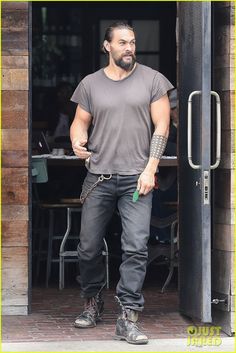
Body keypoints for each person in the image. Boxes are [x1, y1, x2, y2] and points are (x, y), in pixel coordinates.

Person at [70, 22, 174, 345]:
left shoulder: (153, 81)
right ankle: (93, 300)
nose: (130, 48)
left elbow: (162, 127)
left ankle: (128, 315)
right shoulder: (90, 84)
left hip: (137, 179)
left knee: (135, 247)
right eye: (123, 43)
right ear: (107, 47)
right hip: (99, 177)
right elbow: (79, 123)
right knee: (87, 247)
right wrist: (77, 141)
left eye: (133, 42)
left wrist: (150, 169)